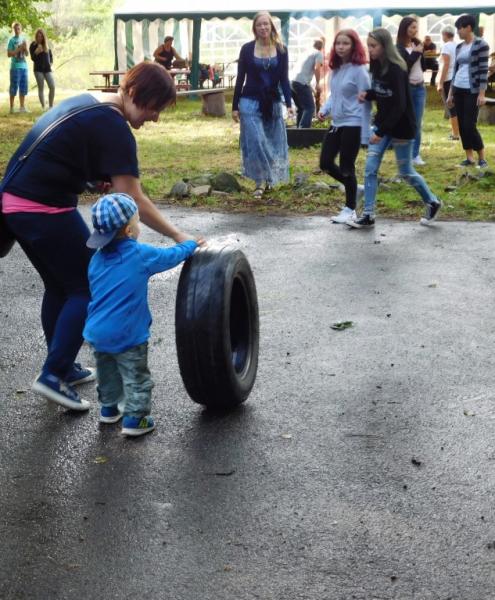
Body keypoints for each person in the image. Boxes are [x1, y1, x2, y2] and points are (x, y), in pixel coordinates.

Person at [1, 62, 202, 412]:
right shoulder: (114, 126)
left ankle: (62, 365)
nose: (155, 118)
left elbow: (65, 150)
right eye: (155, 108)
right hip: (42, 207)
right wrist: (178, 235)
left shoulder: (91, 101)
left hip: (14, 202)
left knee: (61, 286)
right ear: (137, 94)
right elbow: (133, 199)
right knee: (89, 286)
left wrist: (95, 178)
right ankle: (54, 374)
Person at [83, 193, 202, 436]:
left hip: (96, 331)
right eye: (137, 222)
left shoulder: (95, 260)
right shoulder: (139, 254)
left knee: (108, 373)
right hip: (128, 333)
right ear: (129, 230)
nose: (138, 227)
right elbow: (171, 257)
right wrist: (190, 244)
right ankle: (136, 420)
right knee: (135, 376)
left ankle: (109, 410)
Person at [348, 28, 441, 230]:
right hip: (383, 123)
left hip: (401, 127)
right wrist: (369, 94)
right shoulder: (376, 65)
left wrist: (380, 132)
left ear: (385, 46)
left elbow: (399, 104)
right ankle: (368, 214)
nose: (370, 49)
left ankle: (432, 201)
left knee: (405, 171)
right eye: (369, 45)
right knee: (370, 168)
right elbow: (384, 93)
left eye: (374, 46)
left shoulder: (396, 68)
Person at [232, 11, 295, 198]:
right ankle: (259, 181)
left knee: (273, 142)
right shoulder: (246, 49)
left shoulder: (282, 49)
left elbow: (284, 78)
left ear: (271, 26)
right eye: (259, 25)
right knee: (256, 141)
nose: (263, 27)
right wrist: (235, 106)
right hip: (249, 102)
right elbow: (240, 78)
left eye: (266, 24)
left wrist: (289, 103)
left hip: (273, 102)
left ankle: (270, 178)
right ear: (254, 28)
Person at [317, 29, 370, 224]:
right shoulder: (336, 69)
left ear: (354, 45)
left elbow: (367, 99)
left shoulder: (360, 70)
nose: (341, 47)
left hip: (353, 123)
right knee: (325, 163)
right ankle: (356, 189)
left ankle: (350, 209)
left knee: (347, 167)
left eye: (345, 43)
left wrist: (365, 132)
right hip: (336, 123)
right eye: (338, 43)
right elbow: (334, 95)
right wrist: (324, 109)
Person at [447, 14, 490, 168]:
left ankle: (482, 158)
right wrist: (450, 94)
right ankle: (469, 157)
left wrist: (482, 93)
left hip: (472, 90)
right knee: (461, 123)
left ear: (469, 28)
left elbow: (483, 70)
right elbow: (455, 71)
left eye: (460, 28)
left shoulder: (481, 45)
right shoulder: (459, 47)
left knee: (469, 125)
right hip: (458, 88)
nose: (458, 31)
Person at [396, 16, 426, 166]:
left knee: (418, 121)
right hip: (407, 88)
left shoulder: (418, 44)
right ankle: (406, 155)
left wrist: (421, 53)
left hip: (420, 87)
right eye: (412, 27)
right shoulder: (398, 48)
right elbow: (403, 68)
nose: (415, 30)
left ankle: (415, 155)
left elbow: (423, 66)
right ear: (404, 28)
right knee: (408, 121)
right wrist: (415, 54)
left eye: (416, 27)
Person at [291, 39, 324, 128]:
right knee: (310, 108)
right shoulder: (318, 53)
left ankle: (297, 134)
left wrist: (312, 90)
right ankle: (304, 132)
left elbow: (302, 73)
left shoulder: (305, 53)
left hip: (291, 82)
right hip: (300, 83)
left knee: (301, 109)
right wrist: (317, 83)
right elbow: (317, 68)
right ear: (321, 47)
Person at [437, 25, 460, 140]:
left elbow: (445, 65)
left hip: (448, 79)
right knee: (456, 106)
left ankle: (455, 134)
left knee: (451, 106)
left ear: (444, 35)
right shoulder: (458, 45)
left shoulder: (446, 46)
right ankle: (457, 132)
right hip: (457, 78)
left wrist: (440, 83)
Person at [29, 28, 55, 110]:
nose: (39, 38)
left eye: (41, 36)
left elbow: (51, 56)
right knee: (41, 88)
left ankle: (51, 106)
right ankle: (43, 107)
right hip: (38, 70)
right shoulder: (33, 45)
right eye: (38, 36)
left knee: (52, 86)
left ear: (43, 37)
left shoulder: (46, 45)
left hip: (47, 69)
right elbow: (32, 58)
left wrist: (51, 63)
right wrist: (36, 51)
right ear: (36, 37)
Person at [7, 22, 29, 114]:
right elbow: (9, 54)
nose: (17, 30)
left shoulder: (24, 40)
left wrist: (25, 48)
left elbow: (27, 54)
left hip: (24, 67)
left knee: (23, 87)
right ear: (13, 30)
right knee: (13, 87)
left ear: (21, 29)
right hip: (15, 67)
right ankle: (12, 108)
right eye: (15, 29)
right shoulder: (11, 41)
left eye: (18, 28)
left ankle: (22, 107)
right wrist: (18, 49)